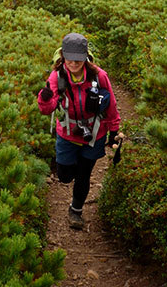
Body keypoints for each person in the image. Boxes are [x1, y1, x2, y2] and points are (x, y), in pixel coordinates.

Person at [37, 32, 121, 229]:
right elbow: (47, 109)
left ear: (85, 57)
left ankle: (76, 211)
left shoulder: (99, 76)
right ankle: (72, 171)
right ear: (63, 56)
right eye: (70, 58)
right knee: (65, 175)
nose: (74, 63)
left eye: (78, 59)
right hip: (67, 133)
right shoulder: (57, 76)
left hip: (95, 133)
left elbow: (112, 105)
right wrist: (44, 98)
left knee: (84, 175)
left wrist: (114, 130)